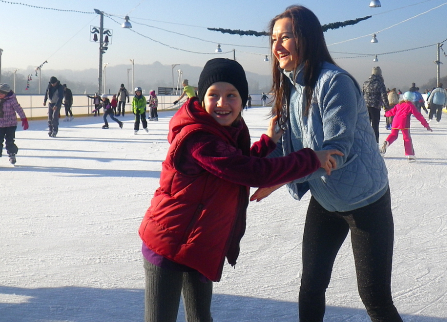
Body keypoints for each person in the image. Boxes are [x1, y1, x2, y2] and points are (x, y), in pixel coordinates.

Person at [139, 58, 342, 322]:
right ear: (201, 98)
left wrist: (267, 142)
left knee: (201, 318)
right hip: (167, 243)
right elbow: (249, 171)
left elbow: (238, 162)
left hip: (197, 244)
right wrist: (311, 158)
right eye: (214, 95)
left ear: (243, 99)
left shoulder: (229, 130)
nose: (222, 104)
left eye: (231, 95)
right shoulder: (198, 137)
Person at [251, 5, 403, 322]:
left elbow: (335, 153)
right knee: (311, 288)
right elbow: (291, 149)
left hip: (366, 202)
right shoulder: (290, 90)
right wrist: (261, 170)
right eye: (274, 38)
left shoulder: (334, 83)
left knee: (375, 298)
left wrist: (281, 175)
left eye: (286, 37)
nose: (277, 45)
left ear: (307, 39)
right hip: (325, 199)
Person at [380, 91, 432, 162]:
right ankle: (410, 155)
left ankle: (387, 142)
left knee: (393, 135)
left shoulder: (399, 104)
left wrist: (386, 114)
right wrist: (426, 125)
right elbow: (419, 116)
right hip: (404, 123)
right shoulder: (410, 105)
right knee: (406, 138)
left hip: (395, 122)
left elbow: (392, 111)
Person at [362, 66, 390, 143]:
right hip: (375, 107)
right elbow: (384, 96)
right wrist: (387, 107)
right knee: (375, 126)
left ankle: (365, 143)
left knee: (366, 126)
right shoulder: (380, 83)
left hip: (366, 107)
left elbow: (362, 95)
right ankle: (375, 143)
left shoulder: (366, 83)